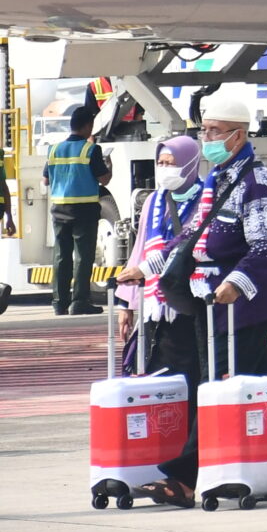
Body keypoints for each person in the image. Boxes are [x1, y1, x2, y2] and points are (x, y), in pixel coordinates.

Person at [152, 83, 267, 505]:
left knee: (217, 385)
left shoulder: (256, 181)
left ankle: (185, 479)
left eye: (214, 131)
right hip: (211, 301)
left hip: (244, 303)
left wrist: (234, 284)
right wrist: (149, 267)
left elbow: (265, 247)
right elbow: (192, 237)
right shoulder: (218, 177)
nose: (206, 138)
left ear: (238, 135)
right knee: (256, 380)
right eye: (204, 130)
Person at [113, 136, 206, 401]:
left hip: (189, 302)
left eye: (171, 163)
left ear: (189, 164)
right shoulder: (154, 201)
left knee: (189, 372)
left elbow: (190, 244)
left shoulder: (205, 200)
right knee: (157, 371)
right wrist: (126, 304)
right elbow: (140, 249)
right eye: (161, 163)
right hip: (155, 306)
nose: (164, 169)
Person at [47, 100, 110, 314]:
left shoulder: (54, 149)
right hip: (84, 210)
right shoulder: (91, 149)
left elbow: (45, 180)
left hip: (59, 209)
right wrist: (109, 166)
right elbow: (104, 179)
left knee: (61, 256)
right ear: (88, 126)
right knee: (83, 257)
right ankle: (79, 301)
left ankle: (59, 302)